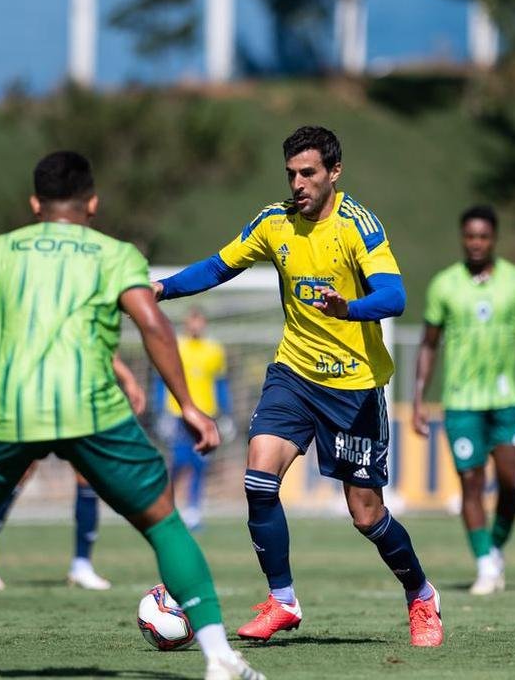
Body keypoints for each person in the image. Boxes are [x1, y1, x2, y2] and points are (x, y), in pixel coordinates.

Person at [0, 151, 264, 680]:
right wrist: (188, 405)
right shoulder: (115, 254)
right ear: (91, 204)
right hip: (92, 410)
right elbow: (153, 324)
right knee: (164, 520)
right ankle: (220, 658)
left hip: (10, 409)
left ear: (35, 204)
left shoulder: (2, 249)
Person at [154, 125, 443, 647]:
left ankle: (421, 595)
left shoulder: (358, 226)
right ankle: (283, 600)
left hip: (354, 388)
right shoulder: (274, 222)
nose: (298, 184)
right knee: (258, 478)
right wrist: (161, 288)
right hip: (294, 375)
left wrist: (349, 309)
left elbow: (395, 296)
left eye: (308, 173)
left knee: (367, 515)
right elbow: (219, 266)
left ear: (334, 172)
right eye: (291, 174)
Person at [411, 204, 515, 595]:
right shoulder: (444, 285)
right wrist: (418, 397)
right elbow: (428, 344)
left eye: (483, 236)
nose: (476, 243)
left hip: (505, 401)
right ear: (462, 238)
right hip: (461, 403)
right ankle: (485, 564)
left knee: (511, 484)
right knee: (471, 483)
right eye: (470, 236)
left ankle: (494, 548)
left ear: (494, 239)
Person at [0, 356, 147, 591]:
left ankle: (82, 563)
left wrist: (128, 379)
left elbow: (100, 347)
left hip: (76, 397)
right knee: (22, 468)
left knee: (87, 470)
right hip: (37, 393)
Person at [152, 308, 232, 530]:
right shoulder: (175, 345)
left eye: (199, 321)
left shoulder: (214, 350)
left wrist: (226, 414)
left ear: (204, 323)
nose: (196, 325)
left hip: (205, 414)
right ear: (187, 323)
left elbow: (220, 383)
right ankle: (166, 506)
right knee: (179, 461)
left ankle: (193, 511)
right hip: (177, 413)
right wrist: (160, 412)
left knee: (199, 463)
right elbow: (161, 380)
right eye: (192, 321)